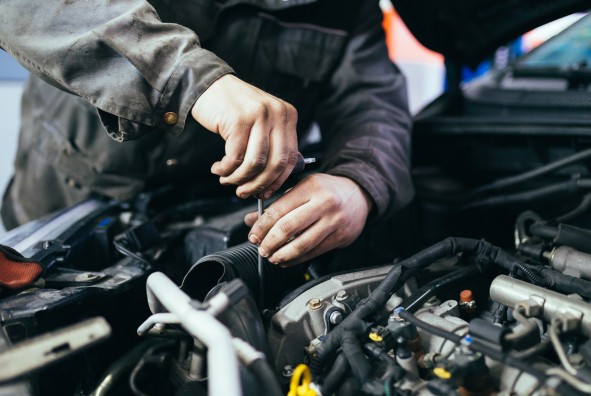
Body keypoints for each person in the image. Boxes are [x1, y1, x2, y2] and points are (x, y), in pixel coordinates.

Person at [0, 0, 413, 267]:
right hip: (60, 215)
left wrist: (357, 182)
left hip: (215, 227)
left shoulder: (346, 10)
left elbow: (372, 102)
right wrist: (189, 80)